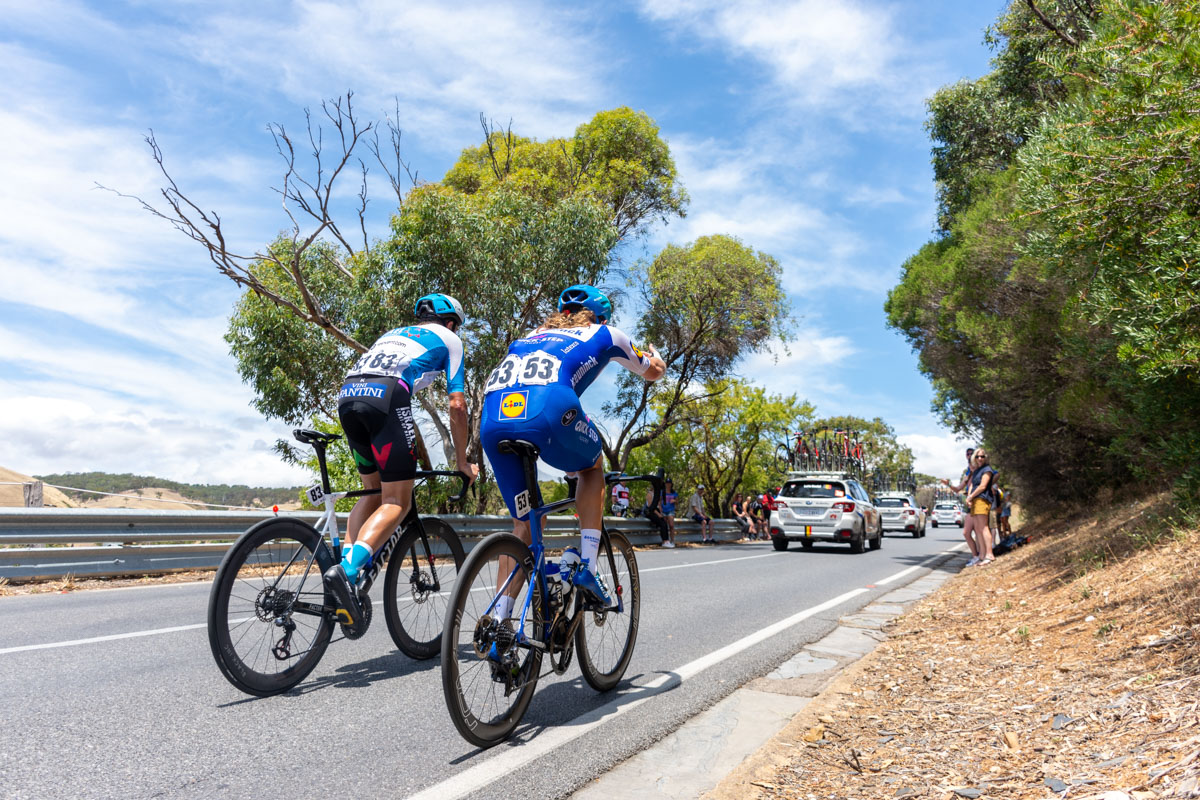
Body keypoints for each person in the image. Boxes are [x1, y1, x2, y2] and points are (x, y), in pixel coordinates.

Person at [481, 284, 665, 612]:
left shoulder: (528, 336)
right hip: (547, 411)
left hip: (494, 419)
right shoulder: (606, 332)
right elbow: (652, 371)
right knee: (591, 467)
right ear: (600, 316)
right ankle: (587, 569)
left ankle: (499, 623)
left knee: (525, 525)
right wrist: (657, 359)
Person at [323, 293, 479, 627]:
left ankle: (343, 579)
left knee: (373, 493)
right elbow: (457, 404)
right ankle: (348, 572)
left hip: (348, 396)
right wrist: (462, 461)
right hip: (387, 397)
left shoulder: (393, 334)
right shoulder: (451, 339)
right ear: (452, 323)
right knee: (398, 501)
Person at [963, 449, 998, 566]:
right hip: (975, 501)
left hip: (982, 499)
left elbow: (983, 486)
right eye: (977, 456)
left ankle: (989, 554)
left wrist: (971, 496)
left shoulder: (987, 470)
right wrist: (970, 498)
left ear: (985, 457)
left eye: (982, 456)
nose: (980, 459)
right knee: (978, 529)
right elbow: (972, 484)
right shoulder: (977, 470)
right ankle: (982, 555)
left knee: (983, 527)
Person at [662, 478, 678, 545]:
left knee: (671, 525)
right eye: (667, 483)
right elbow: (659, 501)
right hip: (663, 510)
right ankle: (666, 540)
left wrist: (674, 501)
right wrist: (660, 510)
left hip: (670, 510)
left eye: (669, 483)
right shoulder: (662, 492)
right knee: (664, 526)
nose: (668, 485)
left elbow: (677, 501)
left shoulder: (674, 493)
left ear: (671, 484)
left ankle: (672, 540)